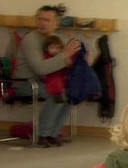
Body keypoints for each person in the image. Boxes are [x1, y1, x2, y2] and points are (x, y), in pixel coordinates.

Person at [13, 5, 81, 147]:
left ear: (56, 23)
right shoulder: (30, 39)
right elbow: (40, 69)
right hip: (25, 83)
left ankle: (53, 133)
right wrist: (65, 55)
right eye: (40, 19)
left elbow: (61, 64)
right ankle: (43, 134)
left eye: (47, 20)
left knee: (70, 94)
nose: (42, 23)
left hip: (45, 81)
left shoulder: (55, 39)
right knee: (56, 93)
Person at [42, 35, 67, 103]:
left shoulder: (61, 57)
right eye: (52, 48)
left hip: (60, 76)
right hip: (50, 76)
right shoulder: (46, 57)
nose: (55, 50)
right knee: (56, 79)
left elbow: (63, 70)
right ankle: (57, 94)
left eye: (57, 48)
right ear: (47, 49)